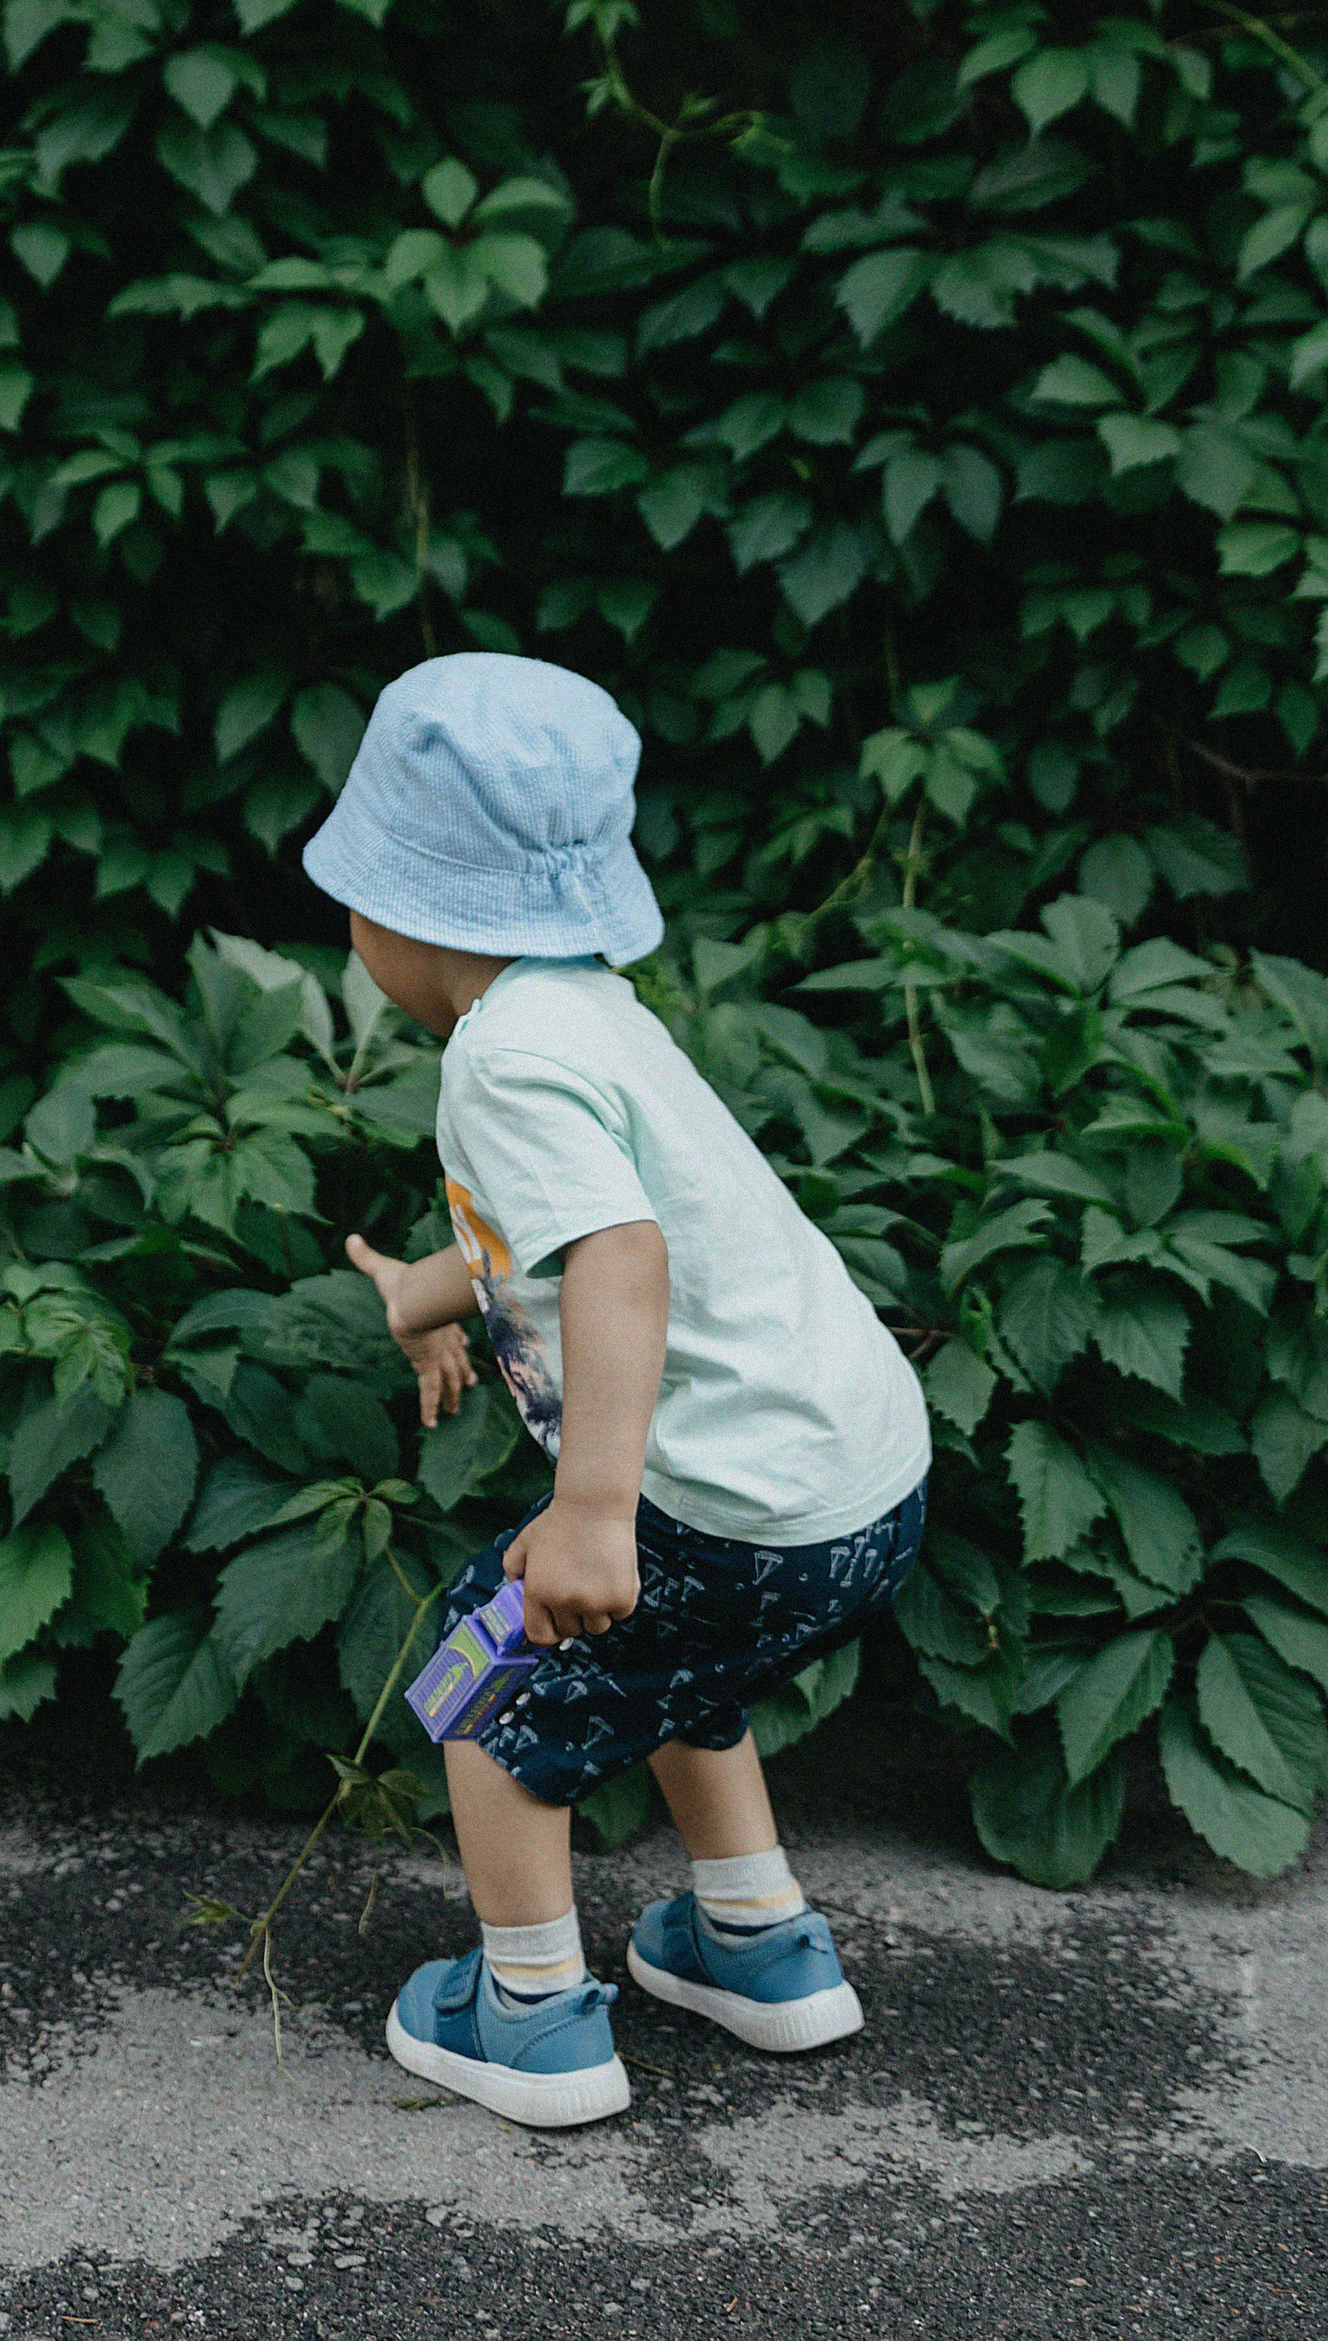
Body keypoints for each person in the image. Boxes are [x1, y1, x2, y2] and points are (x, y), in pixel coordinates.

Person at [300, 650, 930, 2129]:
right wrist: (423, 1294)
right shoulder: (587, 1014)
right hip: (853, 1488)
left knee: (485, 1677)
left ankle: (529, 2016)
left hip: (721, 1505)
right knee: (675, 1669)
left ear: (403, 912)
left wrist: (589, 1511)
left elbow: (620, 1259)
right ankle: (757, 1945)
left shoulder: (504, 1061)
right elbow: (538, 1236)